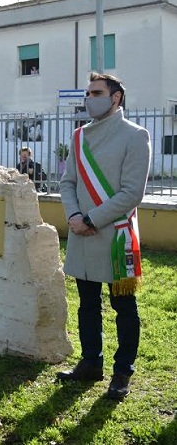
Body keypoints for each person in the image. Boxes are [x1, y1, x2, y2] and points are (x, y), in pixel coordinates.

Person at [57, 72, 150, 400]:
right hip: (82, 232)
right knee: (87, 304)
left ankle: (122, 372)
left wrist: (90, 219)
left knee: (123, 306)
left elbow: (132, 193)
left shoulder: (136, 136)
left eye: (96, 92)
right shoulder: (79, 137)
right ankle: (91, 363)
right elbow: (68, 182)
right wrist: (72, 216)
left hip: (114, 235)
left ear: (115, 97)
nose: (89, 98)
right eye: (87, 93)